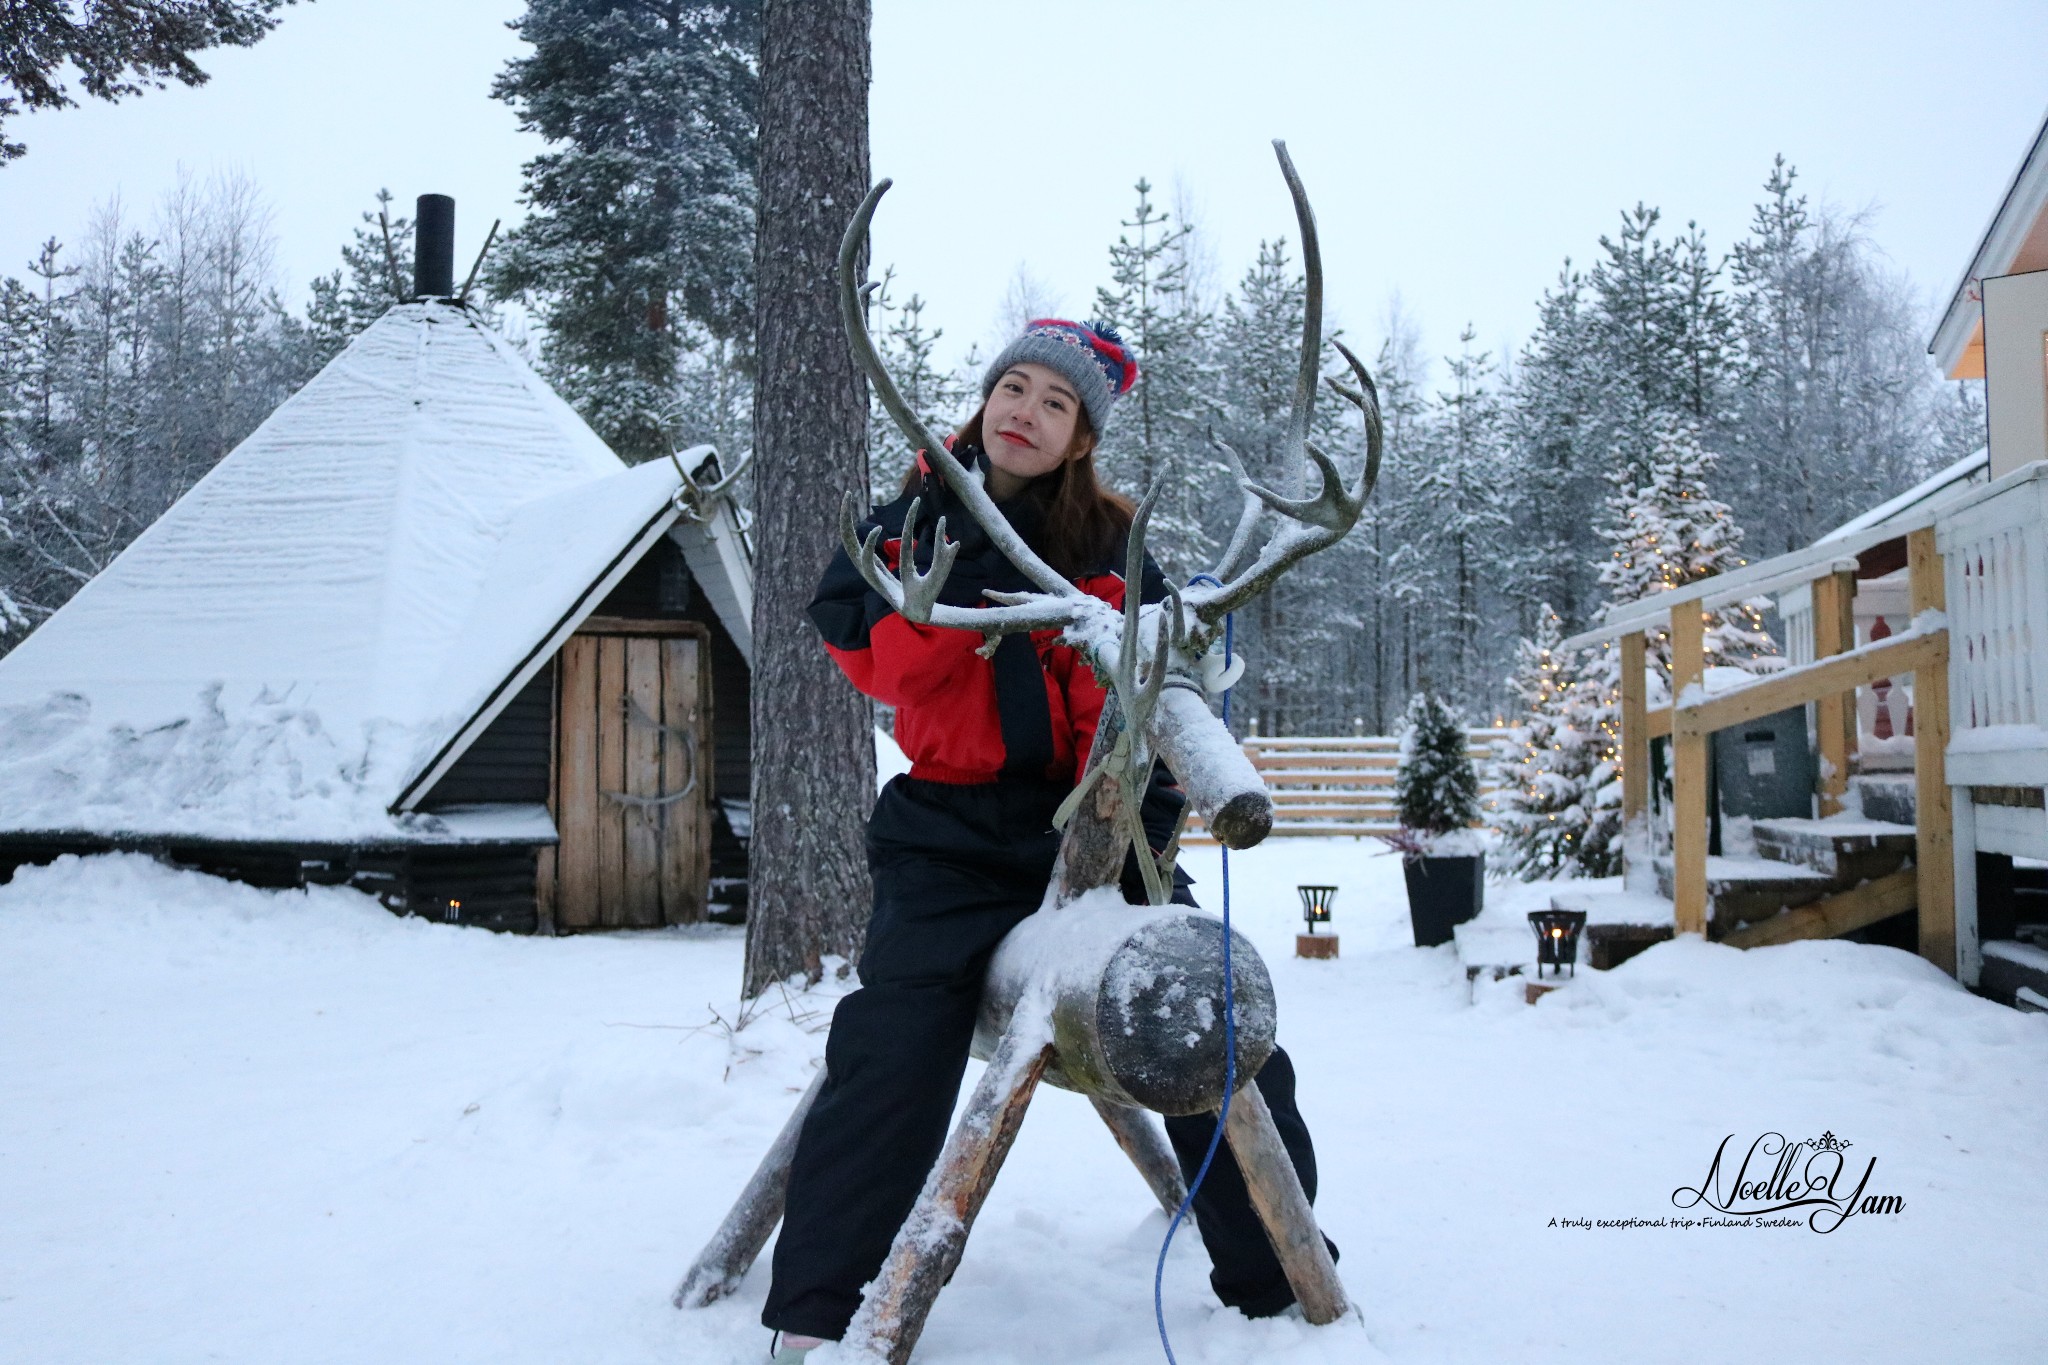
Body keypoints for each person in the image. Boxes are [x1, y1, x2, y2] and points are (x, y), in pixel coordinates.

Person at [765, 319, 1331, 1362]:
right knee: (896, 1045)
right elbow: (885, 671)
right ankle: (816, 1310)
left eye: (1052, 402)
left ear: (1079, 437)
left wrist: (1144, 837)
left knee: (1207, 1013)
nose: (1022, 410)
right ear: (983, 403)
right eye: (1010, 388)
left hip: (1096, 843)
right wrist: (969, 568)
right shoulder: (910, 528)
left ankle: (1278, 1276)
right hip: (949, 842)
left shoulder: (1117, 553)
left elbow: (1156, 702)